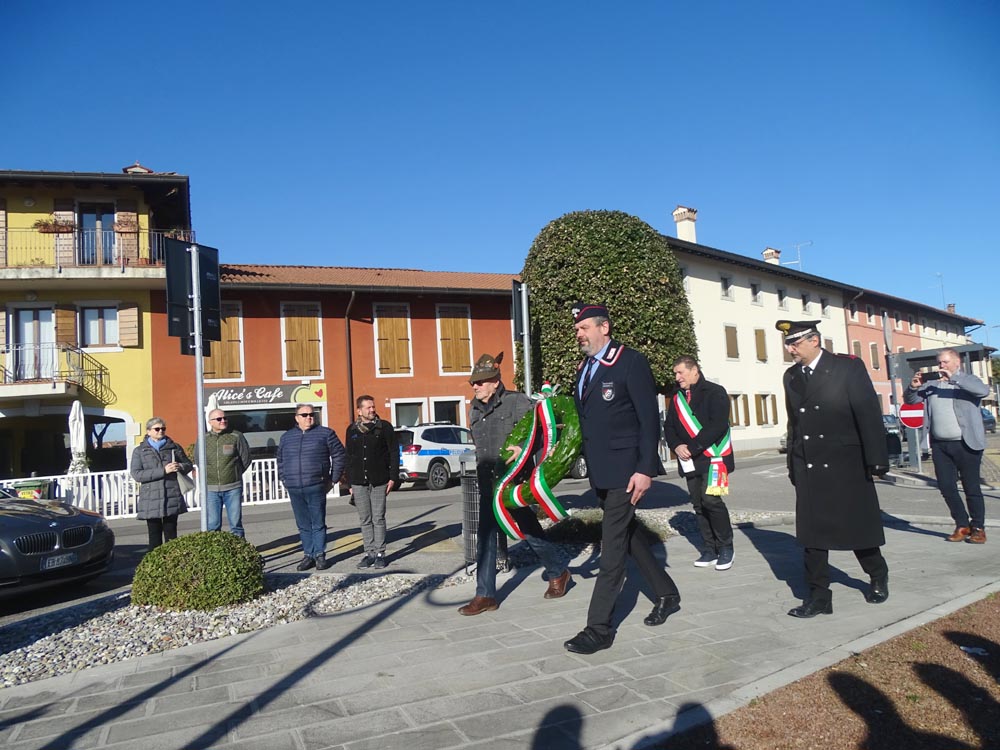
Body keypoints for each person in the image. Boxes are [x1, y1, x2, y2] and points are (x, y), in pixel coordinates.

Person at [563, 303, 681, 655]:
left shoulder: (630, 362)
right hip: (602, 471)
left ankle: (598, 628)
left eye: (584, 327)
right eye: (577, 329)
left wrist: (645, 469)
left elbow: (649, 420)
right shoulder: (585, 368)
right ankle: (667, 593)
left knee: (612, 547)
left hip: (627, 472)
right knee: (627, 534)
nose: (579, 334)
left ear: (604, 328)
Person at [778, 320, 890, 618]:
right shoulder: (791, 376)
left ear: (814, 341)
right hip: (809, 465)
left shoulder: (847, 368)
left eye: (795, 343)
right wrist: (793, 463)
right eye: (788, 344)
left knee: (857, 529)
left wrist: (877, 459)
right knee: (812, 537)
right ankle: (818, 596)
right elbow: (794, 424)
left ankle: (877, 574)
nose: (790, 350)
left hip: (845, 462)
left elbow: (868, 413)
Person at [458, 352, 572, 616]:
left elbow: (539, 430)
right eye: (473, 382)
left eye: (480, 382)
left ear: (495, 382)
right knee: (485, 538)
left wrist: (522, 447)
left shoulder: (516, 402)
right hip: (488, 484)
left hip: (513, 482)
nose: (475, 386)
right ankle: (485, 595)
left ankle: (558, 571)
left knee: (530, 531)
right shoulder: (474, 409)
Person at [904, 347, 990, 544]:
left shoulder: (968, 381)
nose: (941, 365)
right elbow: (910, 400)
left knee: (971, 487)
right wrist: (914, 387)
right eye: (939, 362)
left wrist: (954, 378)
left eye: (945, 362)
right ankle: (962, 524)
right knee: (946, 486)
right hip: (940, 444)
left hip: (966, 443)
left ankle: (978, 528)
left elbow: (983, 391)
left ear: (956, 362)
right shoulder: (932, 384)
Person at [663, 355, 736, 570]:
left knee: (711, 500)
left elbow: (718, 425)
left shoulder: (715, 392)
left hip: (714, 457)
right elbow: (669, 427)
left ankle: (726, 547)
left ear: (694, 370)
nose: (677, 377)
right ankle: (709, 549)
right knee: (698, 504)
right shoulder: (677, 398)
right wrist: (677, 446)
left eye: (680, 372)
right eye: (675, 374)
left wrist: (693, 447)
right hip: (689, 460)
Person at [277, 404, 346, 571]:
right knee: (303, 524)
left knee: (318, 522)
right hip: (294, 487)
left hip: (316, 485)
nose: (309, 417)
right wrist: (284, 478)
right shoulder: (287, 437)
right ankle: (308, 555)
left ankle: (320, 555)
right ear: (296, 418)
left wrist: (333, 479)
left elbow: (339, 455)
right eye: (304, 415)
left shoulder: (325, 433)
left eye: (311, 414)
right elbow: (280, 460)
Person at [345, 395, 398, 569]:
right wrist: (349, 483)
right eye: (368, 407)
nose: (372, 410)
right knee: (365, 519)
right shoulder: (352, 430)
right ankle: (370, 553)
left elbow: (393, 452)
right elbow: (349, 456)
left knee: (378, 517)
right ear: (359, 411)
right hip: (358, 481)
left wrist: (393, 477)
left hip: (379, 480)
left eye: (373, 407)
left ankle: (380, 553)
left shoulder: (384, 427)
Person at [130, 417, 194, 552]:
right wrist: (163, 471)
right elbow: (137, 474)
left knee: (171, 535)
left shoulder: (174, 447)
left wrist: (180, 466)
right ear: (148, 431)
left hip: (171, 494)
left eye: (163, 428)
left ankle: (172, 562)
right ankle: (154, 563)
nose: (161, 431)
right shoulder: (140, 451)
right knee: (154, 537)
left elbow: (188, 464)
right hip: (150, 498)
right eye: (157, 429)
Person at [204, 408, 251, 538]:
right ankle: (215, 549)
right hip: (211, 488)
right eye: (219, 419)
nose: (223, 421)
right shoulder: (204, 439)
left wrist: (235, 472)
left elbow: (246, 458)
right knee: (213, 525)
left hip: (233, 487)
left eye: (225, 418)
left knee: (236, 524)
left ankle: (239, 548)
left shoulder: (236, 436)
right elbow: (199, 459)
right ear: (210, 422)